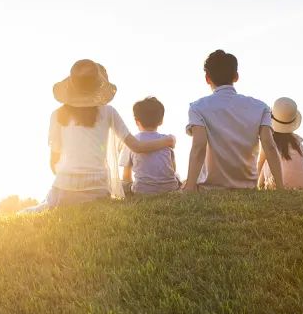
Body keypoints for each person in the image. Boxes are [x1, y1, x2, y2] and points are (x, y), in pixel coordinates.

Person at [39, 59, 175, 208]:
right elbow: (137, 147)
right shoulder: (108, 111)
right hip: (98, 190)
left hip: (64, 189)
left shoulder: (57, 115)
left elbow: (53, 163)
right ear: (97, 86)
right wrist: (167, 141)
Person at [184, 49, 284, 191]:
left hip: (209, 189)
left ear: (207, 78)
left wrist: (189, 186)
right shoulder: (261, 107)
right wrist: (280, 187)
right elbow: (269, 146)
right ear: (236, 76)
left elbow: (198, 146)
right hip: (247, 188)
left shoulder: (197, 107)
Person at [120, 96, 181, 195]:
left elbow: (126, 176)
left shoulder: (131, 142)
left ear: (136, 121)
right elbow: (172, 168)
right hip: (170, 188)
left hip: (142, 191)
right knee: (177, 175)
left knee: (122, 183)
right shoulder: (166, 140)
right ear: (161, 121)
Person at [258, 97, 303, 190]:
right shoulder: (297, 141)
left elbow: (260, 162)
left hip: (281, 185)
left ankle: (262, 185)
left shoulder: (268, 140)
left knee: (267, 157)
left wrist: (257, 183)